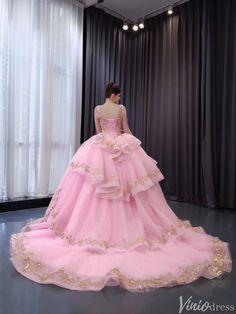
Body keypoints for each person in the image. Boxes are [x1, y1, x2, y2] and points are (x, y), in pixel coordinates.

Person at [9, 82, 232, 292]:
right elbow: (126, 130)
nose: (119, 99)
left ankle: (91, 230)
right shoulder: (121, 109)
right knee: (130, 191)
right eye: (118, 96)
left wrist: (108, 141)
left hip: (100, 149)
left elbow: (98, 133)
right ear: (115, 95)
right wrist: (133, 147)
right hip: (120, 148)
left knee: (94, 189)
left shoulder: (97, 109)